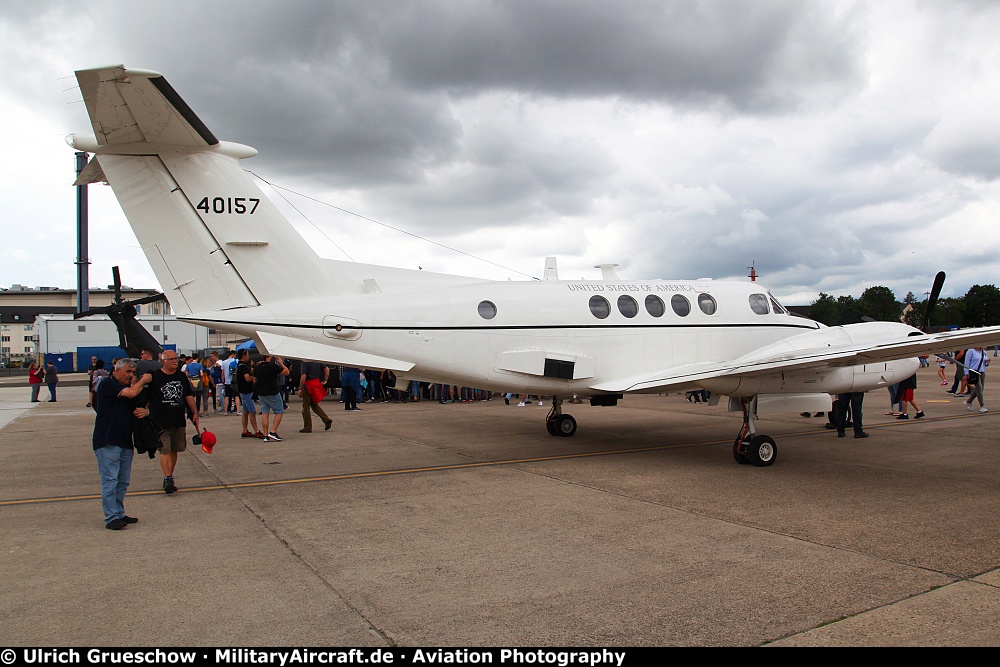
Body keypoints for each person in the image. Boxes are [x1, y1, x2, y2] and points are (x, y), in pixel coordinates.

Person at [92, 358, 153, 529]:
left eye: (133, 373)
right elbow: (131, 393)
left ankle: (119, 512)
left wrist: (145, 410)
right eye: (127, 372)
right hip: (108, 440)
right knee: (110, 480)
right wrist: (143, 380)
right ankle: (111, 517)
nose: (130, 375)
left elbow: (138, 401)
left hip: (125, 440)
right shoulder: (107, 384)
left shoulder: (128, 387)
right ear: (116, 370)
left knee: (123, 480)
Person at [146, 350, 200, 494]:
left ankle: (170, 475)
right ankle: (167, 477)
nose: (175, 361)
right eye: (171, 359)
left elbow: (188, 395)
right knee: (164, 449)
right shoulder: (155, 377)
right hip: (160, 421)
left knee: (175, 449)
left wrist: (194, 412)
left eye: (176, 359)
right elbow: (147, 397)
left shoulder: (181, 376)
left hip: (177, 419)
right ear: (163, 361)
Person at [254, 353, 290, 441]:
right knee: (279, 411)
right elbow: (286, 372)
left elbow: (254, 380)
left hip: (261, 392)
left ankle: (265, 435)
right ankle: (273, 432)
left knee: (265, 413)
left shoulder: (257, 367)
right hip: (272, 391)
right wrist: (281, 363)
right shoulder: (273, 366)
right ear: (269, 356)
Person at [298, 361, 333, 433]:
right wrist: (325, 380)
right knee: (314, 404)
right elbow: (327, 369)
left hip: (308, 385)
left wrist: (300, 388)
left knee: (306, 407)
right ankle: (326, 420)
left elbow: (303, 375)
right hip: (316, 383)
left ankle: (307, 427)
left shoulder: (304, 362)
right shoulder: (316, 360)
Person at [236, 349, 262, 438]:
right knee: (252, 411)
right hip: (247, 391)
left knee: (245, 412)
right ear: (243, 355)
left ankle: (245, 430)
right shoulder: (243, 367)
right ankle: (256, 430)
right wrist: (254, 378)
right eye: (247, 355)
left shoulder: (240, 365)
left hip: (242, 391)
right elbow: (247, 378)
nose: (248, 357)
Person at [963, 346, 989, 413]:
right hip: (974, 372)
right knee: (979, 388)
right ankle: (982, 406)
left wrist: (987, 362)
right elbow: (966, 363)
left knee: (980, 389)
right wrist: (966, 373)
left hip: (982, 372)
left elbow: (985, 364)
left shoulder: (983, 352)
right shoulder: (971, 351)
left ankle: (969, 401)